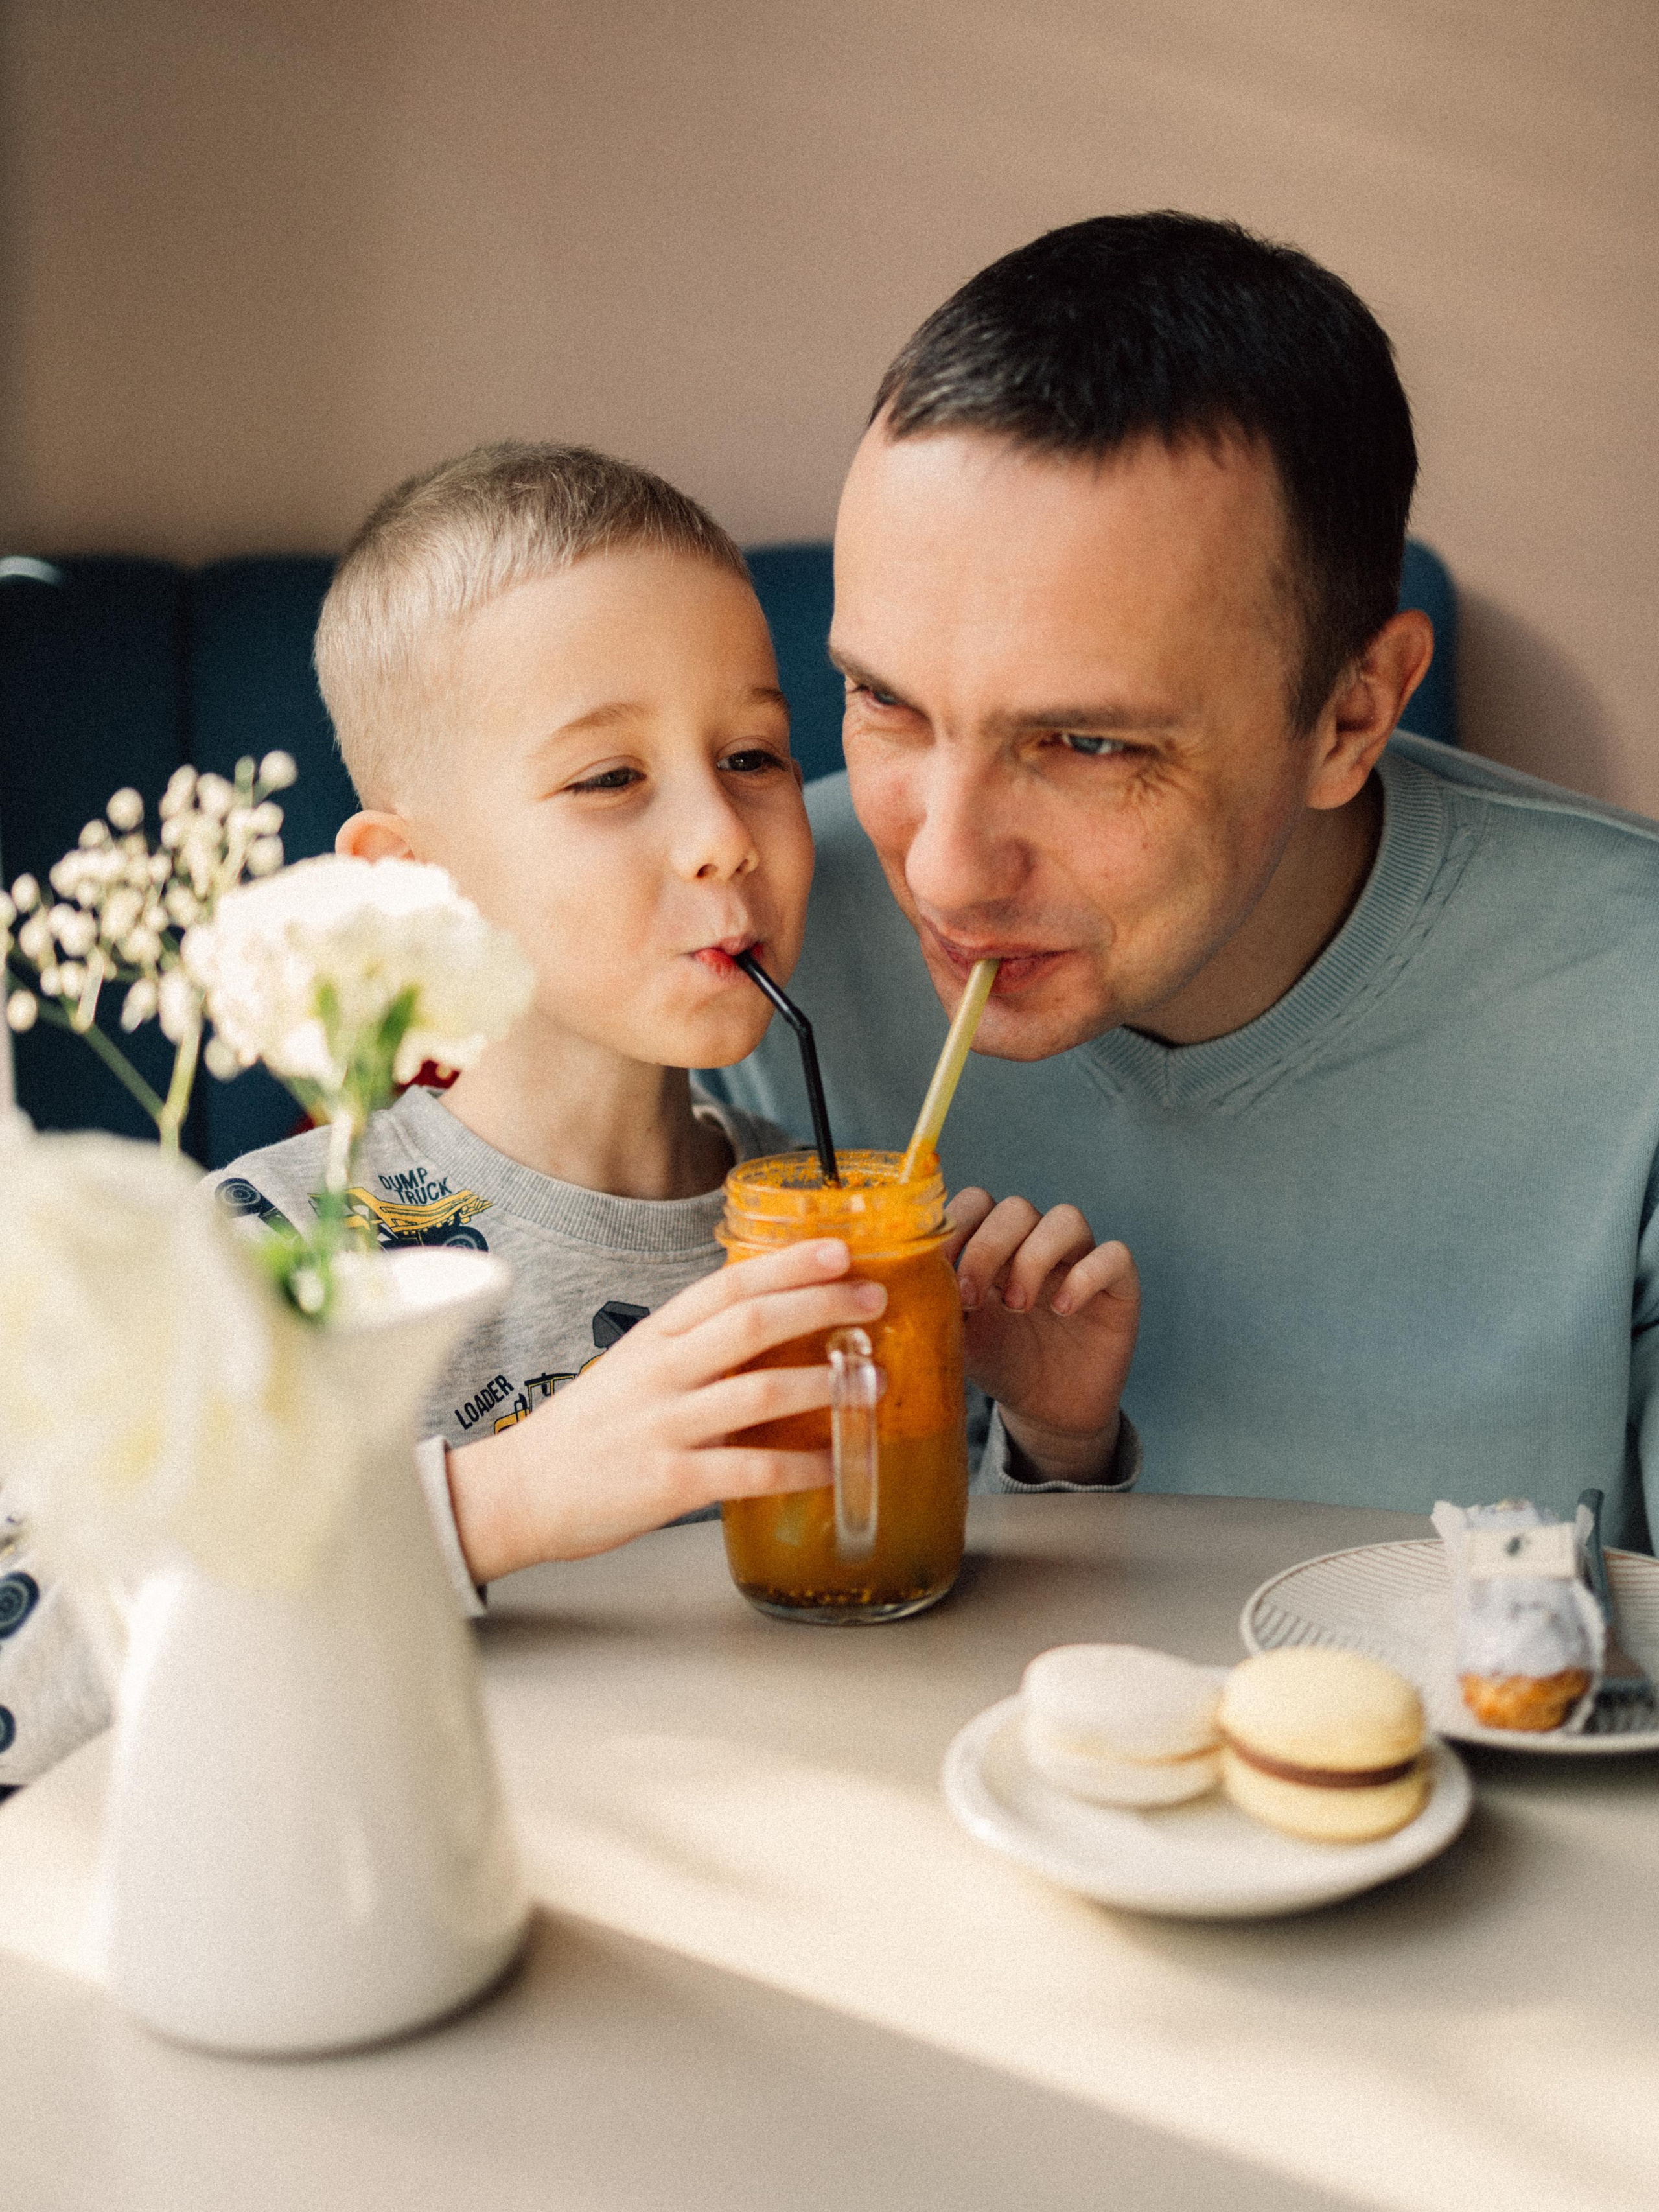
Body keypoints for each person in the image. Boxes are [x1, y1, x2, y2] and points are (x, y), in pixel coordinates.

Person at [0, 440, 1149, 1791]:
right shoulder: (265, 1252)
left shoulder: (840, 1240)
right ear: (414, 875)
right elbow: (25, 1696)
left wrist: (1052, 1442)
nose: (723, 832)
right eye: (608, 778)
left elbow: (943, 1655)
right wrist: (504, 1500)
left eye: (753, 755)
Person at [710, 213, 1659, 1553]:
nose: (941, 868)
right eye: (883, 701)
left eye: (1088, 744)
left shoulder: (1633, 1012)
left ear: (1348, 713)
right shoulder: (743, 945)